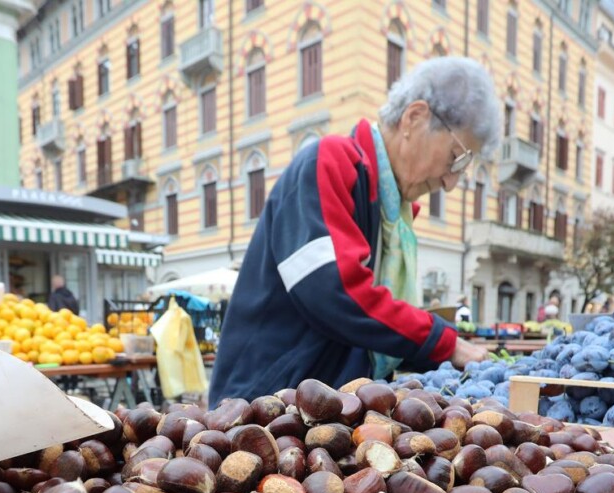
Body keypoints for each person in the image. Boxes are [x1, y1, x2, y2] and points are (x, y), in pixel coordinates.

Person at [209, 57, 500, 404]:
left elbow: (372, 329)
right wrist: (444, 341)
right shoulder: (328, 162)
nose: (452, 182)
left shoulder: (391, 214)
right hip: (260, 410)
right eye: (457, 157)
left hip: (316, 413)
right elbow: (334, 292)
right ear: (414, 118)